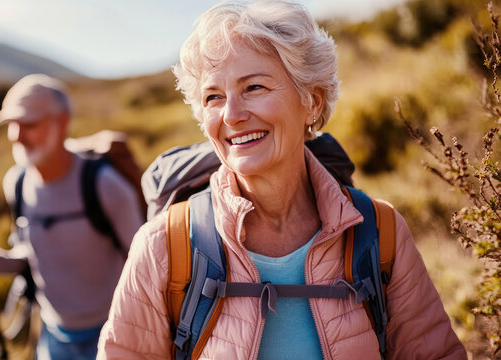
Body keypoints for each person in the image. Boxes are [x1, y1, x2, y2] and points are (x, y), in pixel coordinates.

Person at [97, 1, 466, 359]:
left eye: (254, 87)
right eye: (213, 97)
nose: (232, 114)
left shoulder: (381, 232)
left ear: (312, 102)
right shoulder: (162, 247)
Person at [0, 74, 144, 360]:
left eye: (28, 124)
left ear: (62, 122)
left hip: (115, 334)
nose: (16, 135)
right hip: (52, 337)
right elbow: (32, 254)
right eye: (12, 125)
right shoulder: (16, 183)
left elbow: (146, 267)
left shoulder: (105, 186)